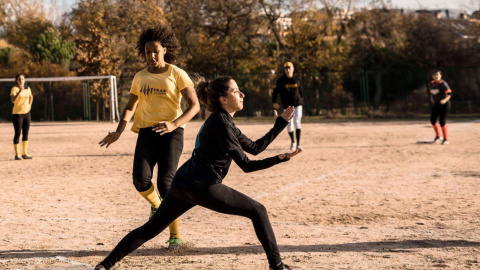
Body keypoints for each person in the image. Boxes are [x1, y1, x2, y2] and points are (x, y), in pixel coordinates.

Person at [94, 76, 301, 270]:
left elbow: (255, 148)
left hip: (182, 184)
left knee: (149, 230)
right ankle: (278, 267)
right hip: (204, 187)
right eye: (236, 91)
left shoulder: (222, 121)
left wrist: (280, 123)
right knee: (259, 211)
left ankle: (104, 266)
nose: (242, 95)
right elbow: (247, 165)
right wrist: (279, 159)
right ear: (223, 98)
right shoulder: (222, 124)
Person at [98, 24, 200, 249]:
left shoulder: (177, 73)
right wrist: (119, 131)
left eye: (156, 51)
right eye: (147, 52)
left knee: (166, 184)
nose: (151, 56)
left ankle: (174, 236)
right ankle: (158, 206)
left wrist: (174, 124)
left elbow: (194, 106)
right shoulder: (140, 77)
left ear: (165, 49)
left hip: (171, 134)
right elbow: (129, 107)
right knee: (140, 180)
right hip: (146, 132)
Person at [272, 62, 304, 150]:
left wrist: (301, 99)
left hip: (298, 104)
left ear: (293, 69)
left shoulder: (297, 78)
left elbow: (301, 91)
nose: (288, 69)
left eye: (289, 68)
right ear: (284, 70)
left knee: (297, 122)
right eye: (286, 68)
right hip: (287, 105)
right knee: (289, 125)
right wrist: (274, 101)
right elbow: (275, 92)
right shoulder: (281, 80)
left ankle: (298, 144)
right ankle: (293, 141)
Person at [10, 74, 33, 160]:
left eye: (22, 79)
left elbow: (31, 96)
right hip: (17, 114)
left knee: (26, 133)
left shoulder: (28, 88)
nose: (21, 81)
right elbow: (12, 100)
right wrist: (19, 91)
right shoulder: (14, 89)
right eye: (19, 79)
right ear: (16, 81)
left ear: (24, 80)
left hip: (26, 113)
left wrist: (30, 105)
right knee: (18, 133)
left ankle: (25, 153)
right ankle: (17, 154)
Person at [428, 70, 452, 145]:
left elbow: (449, 94)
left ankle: (446, 139)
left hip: (445, 104)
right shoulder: (431, 83)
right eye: (434, 75)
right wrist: (432, 98)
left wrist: (444, 100)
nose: (436, 76)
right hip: (437, 103)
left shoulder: (443, 84)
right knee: (432, 119)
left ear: (440, 76)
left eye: (437, 75)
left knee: (442, 121)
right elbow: (432, 92)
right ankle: (438, 136)